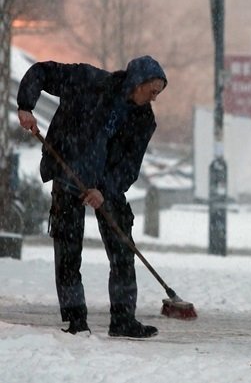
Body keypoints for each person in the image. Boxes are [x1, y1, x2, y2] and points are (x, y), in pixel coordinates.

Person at [17, 56, 167, 338]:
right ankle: (76, 322)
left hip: (105, 185)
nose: (154, 98)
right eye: (153, 91)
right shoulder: (89, 82)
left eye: (158, 93)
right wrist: (26, 106)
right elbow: (41, 72)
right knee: (69, 255)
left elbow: (129, 165)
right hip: (67, 173)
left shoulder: (143, 120)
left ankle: (123, 321)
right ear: (137, 82)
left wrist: (105, 189)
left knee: (123, 251)